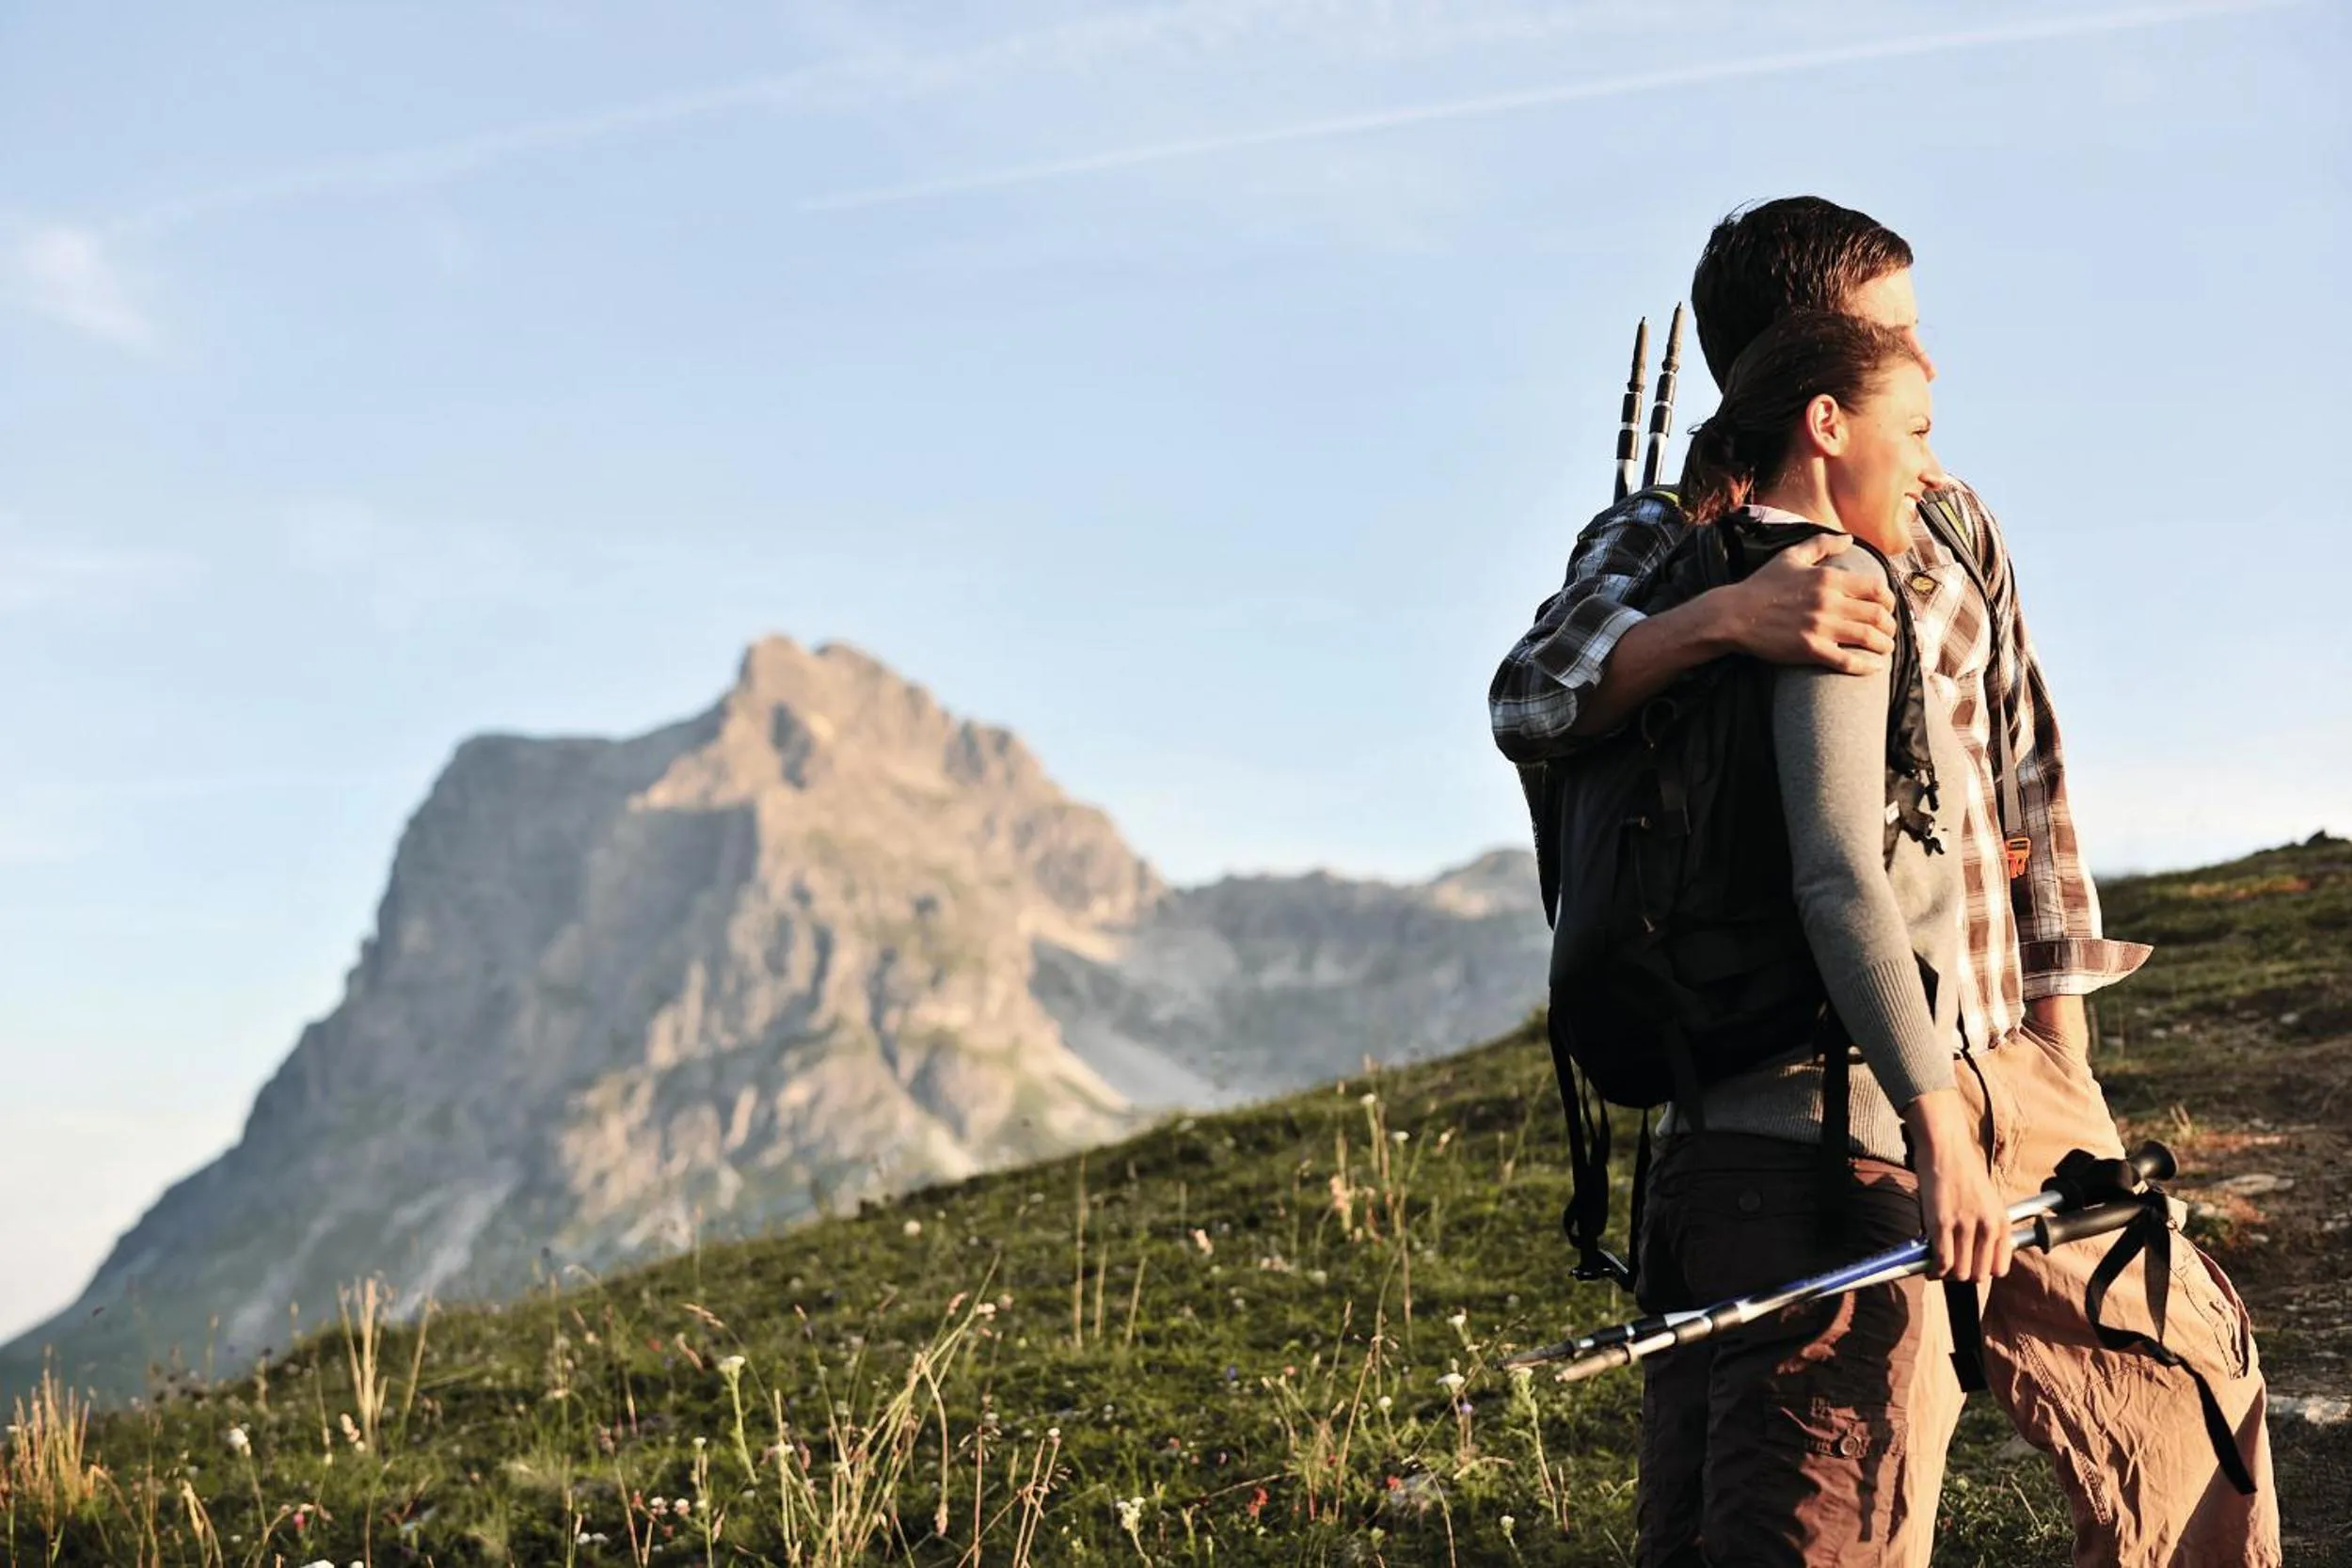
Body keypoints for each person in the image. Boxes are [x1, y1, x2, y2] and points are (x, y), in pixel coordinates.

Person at [1490, 198, 2277, 1567]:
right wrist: (1725, 617)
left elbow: (2033, 778)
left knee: (2194, 1394)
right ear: (1814, 390)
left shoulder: (1955, 520)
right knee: (1837, 1500)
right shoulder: (1666, 537)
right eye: (1898, 337)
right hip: (1825, 1090)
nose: (1930, 364)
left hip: (2007, 1070)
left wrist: (2058, 1056)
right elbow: (1528, 695)